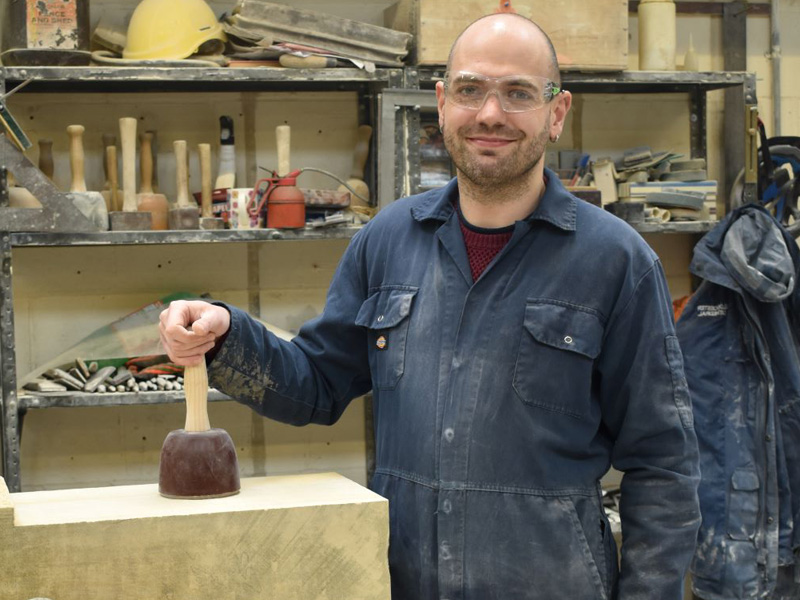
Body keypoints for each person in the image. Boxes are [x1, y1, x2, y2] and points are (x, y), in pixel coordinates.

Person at [160, 13, 701, 600]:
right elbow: (316, 383)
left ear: (557, 111)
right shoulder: (387, 240)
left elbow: (663, 465)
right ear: (442, 104)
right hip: (406, 582)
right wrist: (224, 335)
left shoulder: (616, 261)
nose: (490, 113)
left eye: (518, 93)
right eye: (470, 89)